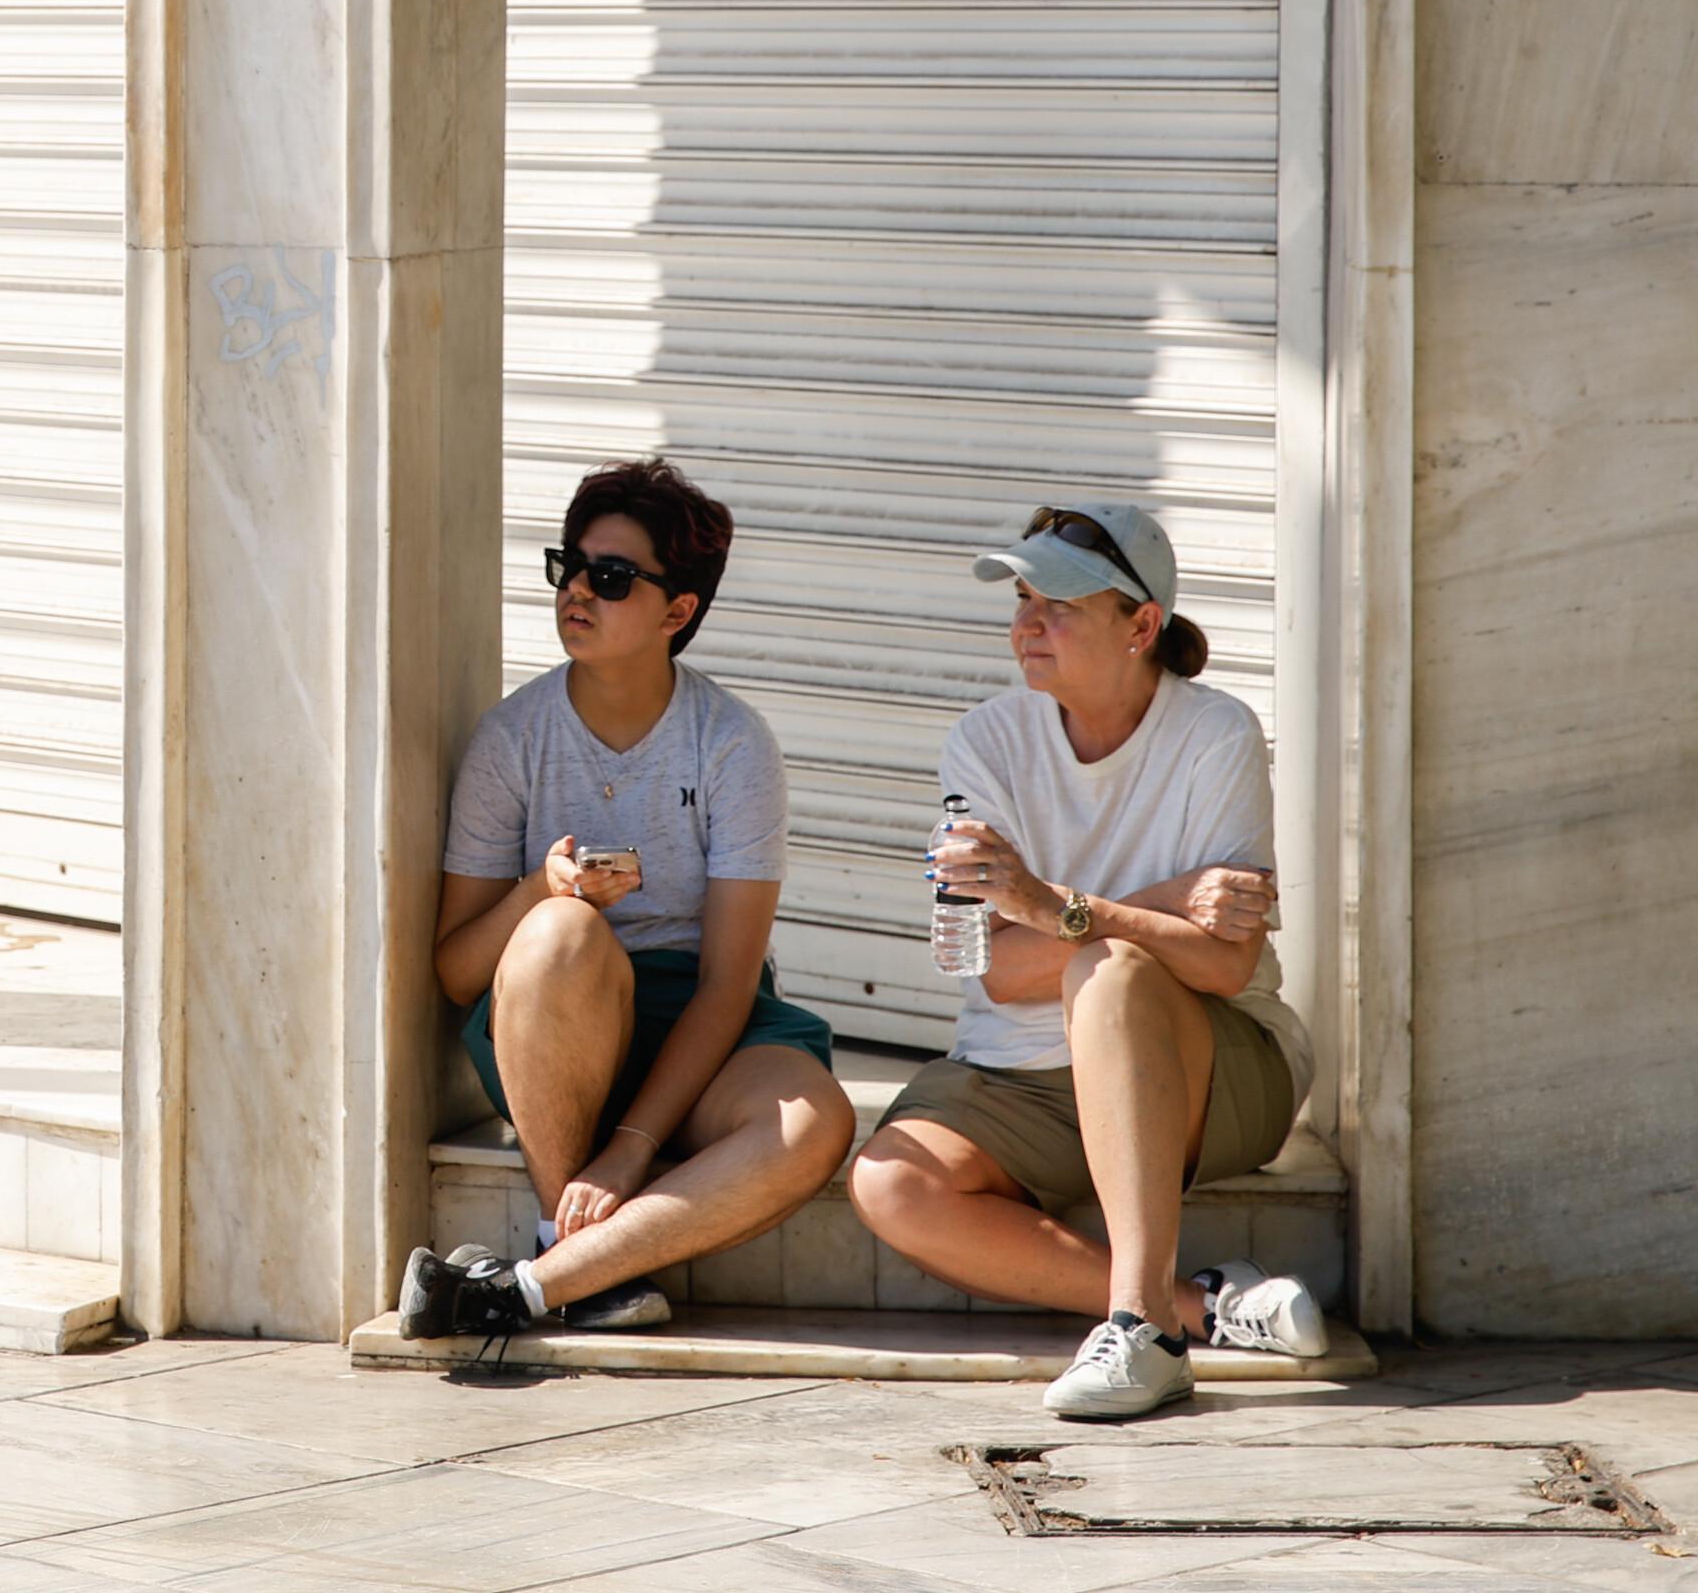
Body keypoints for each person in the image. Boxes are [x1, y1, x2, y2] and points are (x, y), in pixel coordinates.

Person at [846, 497, 1331, 1419]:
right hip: (1022, 1076)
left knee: (1104, 975)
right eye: (1023, 600)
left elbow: (1224, 973)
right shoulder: (986, 740)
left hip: (1217, 1072)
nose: (1029, 623)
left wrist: (1053, 910)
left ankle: (1144, 1334)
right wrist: (1159, 900)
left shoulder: (1215, 735)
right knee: (891, 1182)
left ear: (1141, 625)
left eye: (1061, 606)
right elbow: (997, 971)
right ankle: (1211, 1306)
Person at [397, 457, 851, 1342]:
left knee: (815, 1120)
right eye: (570, 566)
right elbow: (456, 974)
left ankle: (552, 1278)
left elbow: (727, 982)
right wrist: (541, 890)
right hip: (556, 1024)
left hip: (704, 1026)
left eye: (610, 578)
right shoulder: (510, 739)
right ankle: (568, 1242)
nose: (578, 592)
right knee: (560, 933)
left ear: (677, 613)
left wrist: (632, 1147)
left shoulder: (731, 745)